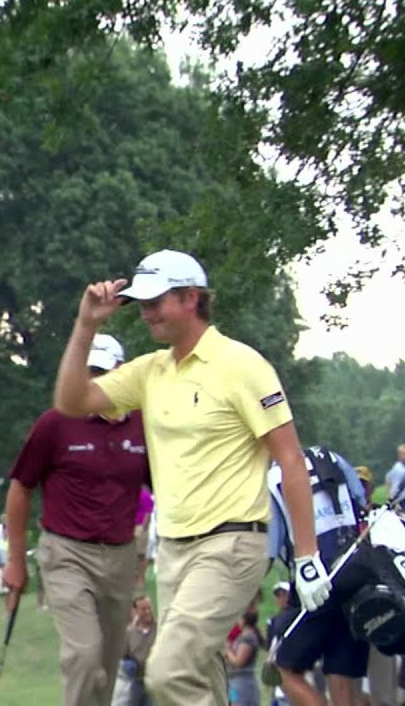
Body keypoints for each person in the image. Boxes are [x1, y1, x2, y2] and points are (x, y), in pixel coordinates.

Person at [51, 249, 327, 706]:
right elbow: (71, 402)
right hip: (174, 554)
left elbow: (291, 460)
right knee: (203, 677)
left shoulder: (242, 365)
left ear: (191, 298)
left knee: (167, 672)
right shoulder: (150, 371)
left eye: (156, 301)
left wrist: (307, 554)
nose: (146, 313)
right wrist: (86, 326)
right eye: (141, 304)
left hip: (231, 545)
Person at [6, 332, 150, 706]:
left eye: (103, 371)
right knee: (84, 656)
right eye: (88, 371)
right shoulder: (56, 422)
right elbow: (21, 488)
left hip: (119, 556)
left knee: (106, 663)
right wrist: (15, 561)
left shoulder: (142, 425)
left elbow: (167, 485)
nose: (94, 380)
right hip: (66, 554)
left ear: (121, 373)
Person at [265, 445, 372, 706]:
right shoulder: (333, 457)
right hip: (355, 574)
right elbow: (361, 501)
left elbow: (269, 548)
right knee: (340, 672)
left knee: (279, 668)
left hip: (313, 580)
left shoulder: (272, 479)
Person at [112, 595, 158, 706]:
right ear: (136, 611)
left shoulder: (160, 628)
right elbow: (121, 655)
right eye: (143, 609)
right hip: (136, 682)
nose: (148, 612)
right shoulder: (129, 632)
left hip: (154, 681)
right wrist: (125, 664)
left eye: (149, 608)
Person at [227, 609, 264, 706]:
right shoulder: (243, 636)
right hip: (233, 683)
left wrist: (227, 650)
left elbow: (239, 662)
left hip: (242, 685)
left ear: (244, 620)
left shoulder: (248, 638)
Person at [134, 487, 155, 591]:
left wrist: (143, 528)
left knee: (140, 555)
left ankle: (140, 580)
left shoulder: (143, 493)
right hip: (126, 526)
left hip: (139, 526)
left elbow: (148, 512)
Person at [384, 443, 405, 511]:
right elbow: (394, 489)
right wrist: (395, 504)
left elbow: (387, 477)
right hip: (401, 504)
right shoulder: (399, 470)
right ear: (400, 455)